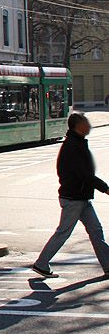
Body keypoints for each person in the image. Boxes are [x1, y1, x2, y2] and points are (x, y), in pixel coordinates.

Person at [32, 112, 109, 278]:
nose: (89, 125)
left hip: (80, 197)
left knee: (96, 231)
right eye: (86, 122)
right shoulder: (73, 146)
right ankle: (41, 263)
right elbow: (84, 174)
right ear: (78, 126)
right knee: (63, 232)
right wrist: (105, 188)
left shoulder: (77, 143)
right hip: (74, 198)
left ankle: (108, 265)